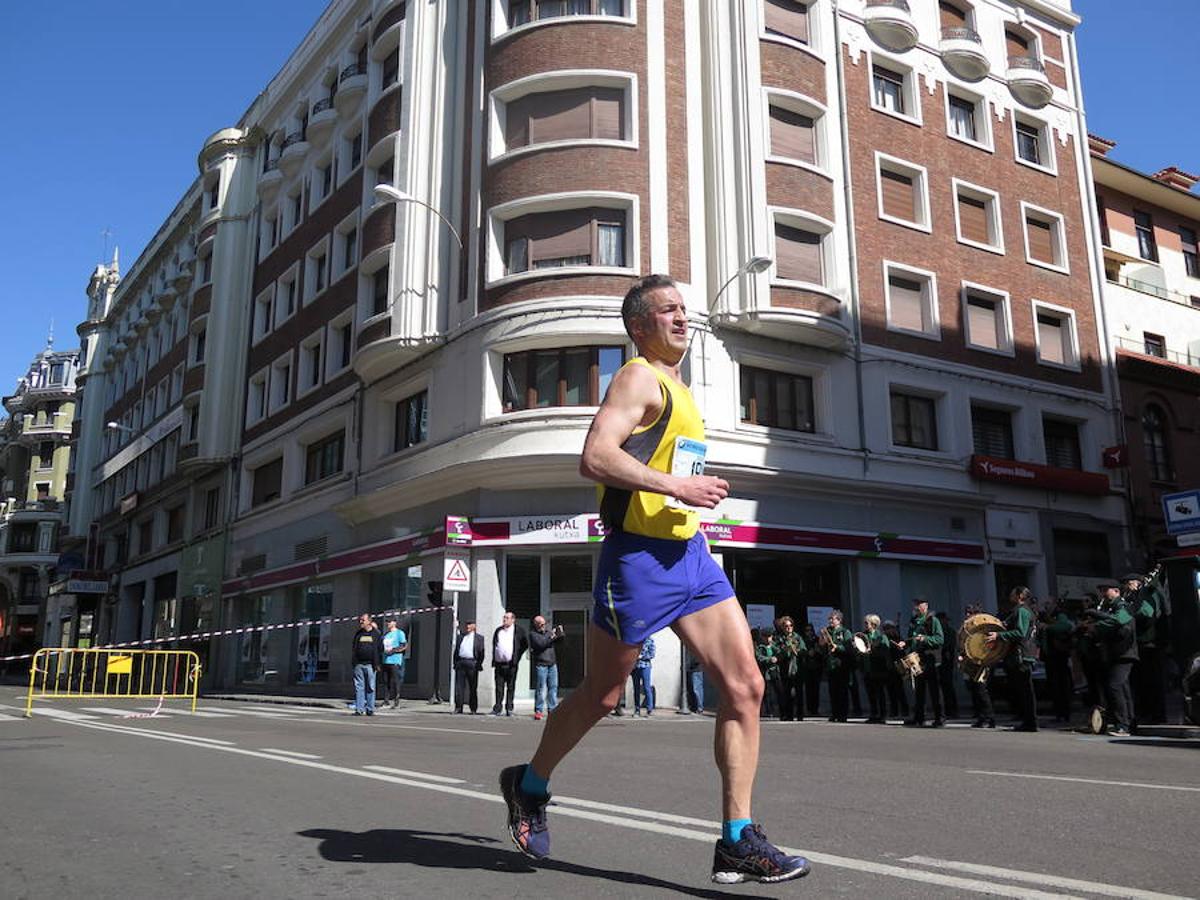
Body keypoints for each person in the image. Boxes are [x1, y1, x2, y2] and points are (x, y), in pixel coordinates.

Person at [498, 274, 809, 884]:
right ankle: (529, 784)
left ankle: (738, 839)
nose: (681, 319)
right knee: (602, 696)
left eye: (684, 310)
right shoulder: (637, 375)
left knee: (745, 687)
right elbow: (595, 455)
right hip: (637, 560)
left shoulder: (678, 389)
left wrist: (691, 494)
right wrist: (677, 486)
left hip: (687, 555)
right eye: (667, 311)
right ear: (639, 326)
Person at [1090, 582, 1138, 736]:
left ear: (1116, 591)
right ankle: (1130, 723)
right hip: (1115, 653)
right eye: (1101, 590)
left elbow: (1118, 621)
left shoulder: (1123, 606)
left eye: (1105, 590)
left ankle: (1122, 725)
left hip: (1125, 653)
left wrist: (1097, 624)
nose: (1103, 593)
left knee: (1115, 687)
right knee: (1122, 688)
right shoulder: (1109, 607)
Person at [988, 587, 1039, 732]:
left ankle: (1030, 722)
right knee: (1022, 691)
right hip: (1019, 655)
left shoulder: (1022, 611)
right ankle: (1027, 721)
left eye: (1012, 593)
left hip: (1021, 655)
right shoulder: (1019, 610)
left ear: (1020, 596)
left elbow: (1020, 633)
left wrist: (998, 636)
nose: (1009, 595)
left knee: (1026, 691)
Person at [1126, 570, 1167, 726]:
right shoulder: (1138, 596)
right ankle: (1147, 712)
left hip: (1151, 643)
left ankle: (1157, 715)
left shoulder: (1148, 593)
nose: (1128, 588)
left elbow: (1148, 613)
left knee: (1153, 681)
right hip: (1142, 644)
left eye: (1129, 584)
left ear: (1138, 582)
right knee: (1142, 681)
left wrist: (1130, 615)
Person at [898, 597, 944, 727]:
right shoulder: (914, 621)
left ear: (926, 605)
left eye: (918, 604)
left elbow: (939, 639)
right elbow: (910, 638)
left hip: (930, 658)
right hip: (917, 659)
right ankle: (919, 717)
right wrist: (904, 643)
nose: (916, 607)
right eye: (915, 604)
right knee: (919, 689)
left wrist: (925, 639)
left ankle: (939, 717)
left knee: (934, 689)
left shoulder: (932, 620)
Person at [1040, 599, 1075, 723]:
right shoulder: (1045, 616)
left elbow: (1064, 626)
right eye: (1045, 604)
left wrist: (1047, 627)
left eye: (1048, 603)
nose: (1046, 606)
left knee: (1061, 685)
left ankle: (1064, 713)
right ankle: (1058, 712)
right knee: (1053, 685)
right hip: (1050, 656)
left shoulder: (1060, 615)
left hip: (1059, 654)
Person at [492, 611, 529, 717]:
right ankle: (498, 708)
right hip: (499, 664)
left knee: (510, 686)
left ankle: (509, 708)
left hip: (511, 664)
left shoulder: (518, 631)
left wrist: (517, 656)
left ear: (513, 620)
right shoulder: (498, 630)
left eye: (507, 618)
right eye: (504, 617)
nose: (504, 620)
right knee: (499, 687)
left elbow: (525, 644)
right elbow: (495, 644)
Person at [529, 616, 565, 721]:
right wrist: (552, 637)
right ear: (536, 624)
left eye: (544, 624)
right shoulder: (533, 634)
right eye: (541, 624)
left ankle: (552, 709)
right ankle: (538, 710)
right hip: (541, 664)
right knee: (541, 688)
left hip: (552, 664)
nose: (543, 626)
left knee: (553, 687)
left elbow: (559, 642)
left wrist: (560, 633)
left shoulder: (548, 633)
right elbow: (541, 644)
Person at [822, 611, 853, 723]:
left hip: (841, 665)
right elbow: (823, 647)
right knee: (833, 691)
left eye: (832, 619)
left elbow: (849, 648)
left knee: (842, 691)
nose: (830, 621)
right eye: (829, 619)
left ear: (839, 620)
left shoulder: (845, 632)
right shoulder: (828, 631)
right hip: (831, 665)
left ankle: (842, 714)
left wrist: (838, 647)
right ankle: (834, 713)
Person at [350, 614, 383, 717]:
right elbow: (354, 647)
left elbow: (380, 648)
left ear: (369, 621)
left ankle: (370, 709)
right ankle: (359, 709)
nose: (361, 622)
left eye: (363, 620)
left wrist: (377, 663)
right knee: (359, 687)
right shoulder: (358, 634)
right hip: (359, 664)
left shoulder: (376, 634)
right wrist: (354, 661)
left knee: (370, 687)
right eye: (360, 620)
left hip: (370, 665)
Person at [774, 616, 805, 721]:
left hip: (797, 668)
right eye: (786, 626)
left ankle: (800, 715)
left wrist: (798, 651)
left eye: (791, 625)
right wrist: (786, 651)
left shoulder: (797, 637)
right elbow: (777, 653)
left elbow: (804, 650)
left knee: (798, 692)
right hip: (785, 668)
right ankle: (788, 715)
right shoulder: (780, 638)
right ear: (783, 627)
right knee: (786, 693)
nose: (789, 628)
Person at [861, 614, 890, 723]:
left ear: (873, 624)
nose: (865, 625)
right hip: (867, 667)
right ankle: (873, 713)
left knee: (880, 692)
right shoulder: (863, 635)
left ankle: (882, 715)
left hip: (879, 669)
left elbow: (885, 652)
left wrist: (873, 650)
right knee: (870, 693)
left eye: (866, 623)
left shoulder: (881, 636)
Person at [454, 621, 486, 714]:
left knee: (472, 687)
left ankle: (473, 708)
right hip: (461, 663)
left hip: (472, 663)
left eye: (470, 625)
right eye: (466, 625)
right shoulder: (461, 637)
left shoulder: (479, 638)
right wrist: (455, 663)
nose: (467, 626)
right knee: (459, 687)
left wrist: (478, 664)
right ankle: (458, 707)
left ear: (474, 626)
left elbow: (481, 653)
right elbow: (456, 650)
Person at [881, 619, 909, 720]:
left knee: (899, 690)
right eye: (885, 629)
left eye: (888, 628)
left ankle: (904, 710)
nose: (886, 630)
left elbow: (904, 649)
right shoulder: (885, 638)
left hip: (897, 666)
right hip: (888, 667)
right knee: (890, 690)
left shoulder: (898, 638)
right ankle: (894, 710)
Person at [935, 611, 959, 719]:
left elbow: (948, 646)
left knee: (948, 687)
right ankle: (948, 710)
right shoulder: (940, 631)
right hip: (940, 660)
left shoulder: (949, 631)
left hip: (946, 661)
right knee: (944, 687)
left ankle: (952, 710)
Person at [380, 619, 409, 709]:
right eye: (387, 622)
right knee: (386, 681)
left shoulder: (399, 633)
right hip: (386, 660)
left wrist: (394, 651)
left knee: (396, 681)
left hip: (395, 660)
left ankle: (396, 701)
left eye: (390, 621)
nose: (388, 623)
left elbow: (404, 645)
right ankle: (386, 701)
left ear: (395, 623)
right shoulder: (386, 635)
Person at [755, 629, 781, 719]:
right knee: (767, 692)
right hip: (766, 672)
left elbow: (780, 653)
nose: (767, 639)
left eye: (769, 636)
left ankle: (781, 710)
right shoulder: (760, 647)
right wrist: (769, 659)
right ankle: (769, 711)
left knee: (779, 691)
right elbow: (759, 657)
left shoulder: (775, 646)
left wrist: (777, 658)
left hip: (775, 671)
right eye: (765, 636)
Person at [801, 622, 823, 717]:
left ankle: (815, 708)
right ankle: (809, 709)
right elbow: (801, 652)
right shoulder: (803, 641)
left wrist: (817, 651)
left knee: (816, 689)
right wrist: (807, 653)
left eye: (810, 630)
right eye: (807, 630)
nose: (809, 632)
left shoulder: (817, 640)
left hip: (816, 667)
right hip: (807, 667)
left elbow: (822, 652)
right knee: (808, 689)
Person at [632, 634, 656, 716]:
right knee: (636, 689)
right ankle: (637, 709)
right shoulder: (635, 640)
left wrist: (642, 657)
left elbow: (652, 654)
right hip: (635, 667)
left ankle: (649, 709)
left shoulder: (650, 640)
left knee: (647, 687)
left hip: (645, 666)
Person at [686, 647, 706, 714]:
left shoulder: (696, 645)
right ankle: (694, 707)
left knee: (696, 689)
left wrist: (692, 664)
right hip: (690, 668)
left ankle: (699, 708)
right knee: (691, 689)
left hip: (696, 668)